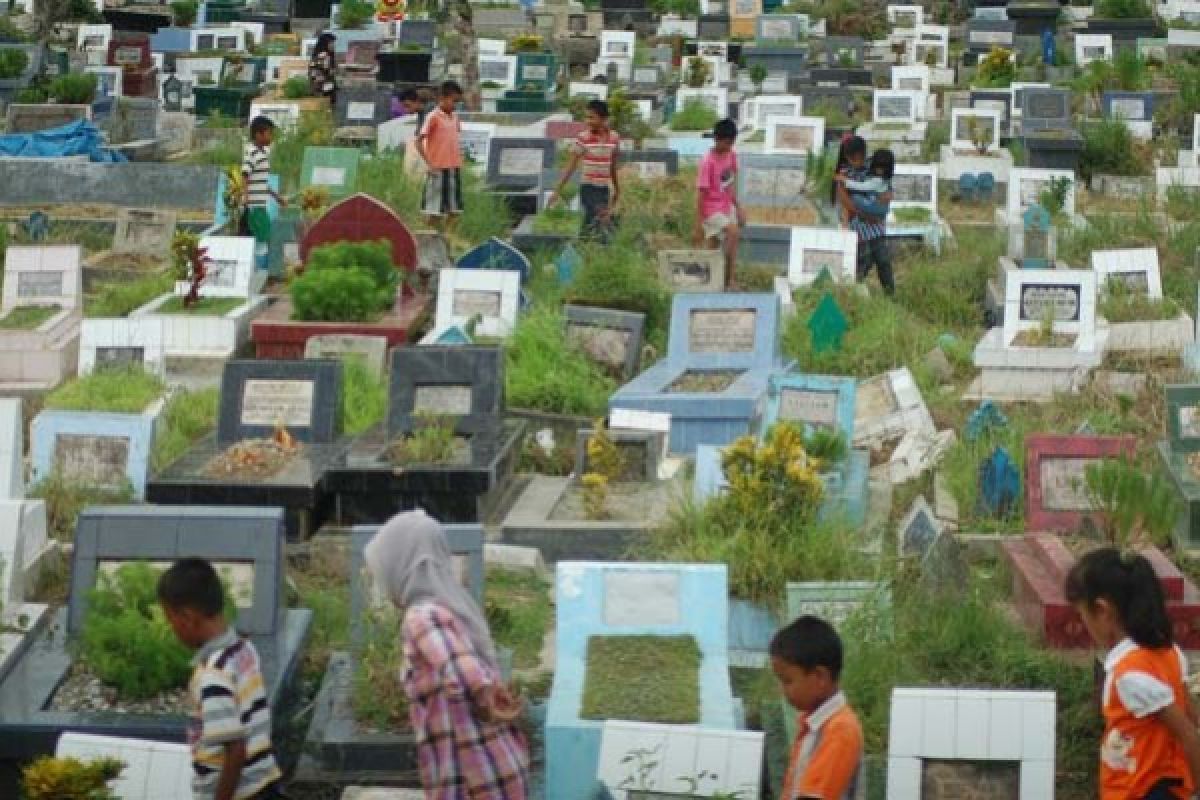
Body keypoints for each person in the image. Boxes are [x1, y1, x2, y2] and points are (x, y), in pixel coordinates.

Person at [363, 510, 530, 799]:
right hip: (494, 768)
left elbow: (461, 669)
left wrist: (483, 692)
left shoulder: (421, 616)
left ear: (401, 567)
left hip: (474, 778)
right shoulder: (448, 606)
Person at [1066, 548, 1200, 800]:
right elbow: (1193, 719)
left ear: (1102, 611)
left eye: (1082, 615)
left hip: (1141, 791)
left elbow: (1189, 735)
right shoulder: (1168, 652)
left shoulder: (1130, 676)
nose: (1084, 626)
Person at [158, 559, 283, 800]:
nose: (171, 629)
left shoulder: (213, 676)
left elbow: (234, 750)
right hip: (264, 783)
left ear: (187, 617)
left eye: (170, 619)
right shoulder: (245, 651)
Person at [771, 615, 864, 800]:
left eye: (787, 681)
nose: (782, 690)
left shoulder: (840, 730)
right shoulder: (815, 725)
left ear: (820, 676)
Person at [549, 99, 620, 242]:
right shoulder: (583, 138)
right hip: (588, 188)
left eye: (592, 117)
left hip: (603, 189)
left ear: (603, 118)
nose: (588, 121)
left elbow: (612, 165)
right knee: (599, 219)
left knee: (592, 223)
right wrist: (557, 190)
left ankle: (585, 250)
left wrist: (617, 188)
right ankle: (590, 248)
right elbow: (571, 165)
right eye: (586, 117)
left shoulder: (614, 138)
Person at [693, 117, 745, 290]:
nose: (729, 147)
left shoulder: (731, 155)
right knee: (733, 232)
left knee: (714, 246)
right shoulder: (707, 162)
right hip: (710, 209)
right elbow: (700, 194)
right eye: (727, 143)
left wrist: (738, 207)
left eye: (732, 143)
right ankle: (729, 280)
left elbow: (730, 184)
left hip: (725, 205)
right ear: (717, 139)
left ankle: (712, 280)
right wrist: (699, 224)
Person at [837, 147, 895, 296]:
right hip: (860, 225)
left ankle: (890, 294)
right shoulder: (847, 174)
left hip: (876, 227)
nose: (857, 162)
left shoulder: (872, 172)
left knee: (883, 261)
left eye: (860, 158)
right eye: (853, 159)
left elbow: (884, 194)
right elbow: (846, 200)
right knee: (864, 261)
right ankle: (850, 290)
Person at [416, 81, 465, 232]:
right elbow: (419, 141)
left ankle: (448, 236)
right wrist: (429, 163)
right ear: (442, 98)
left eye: (457, 101)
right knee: (434, 209)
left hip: (453, 166)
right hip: (437, 168)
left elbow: (454, 138)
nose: (455, 105)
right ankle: (431, 236)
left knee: (454, 208)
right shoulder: (433, 117)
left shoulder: (455, 117)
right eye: (453, 101)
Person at [240, 116, 286, 243]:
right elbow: (245, 174)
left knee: (262, 238)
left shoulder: (263, 153)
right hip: (254, 207)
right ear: (258, 134)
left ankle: (258, 261)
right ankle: (258, 262)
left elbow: (261, 182)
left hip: (260, 205)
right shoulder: (252, 152)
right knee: (262, 239)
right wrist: (246, 197)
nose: (271, 137)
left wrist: (276, 196)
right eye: (269, 133)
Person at [308, 32, 337, 110]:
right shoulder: (322, 55)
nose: (333, 45)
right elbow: (320, 72)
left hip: (326, 86)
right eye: (331, 43)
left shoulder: (327, 54)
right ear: (325, 43)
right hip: (322, 88)